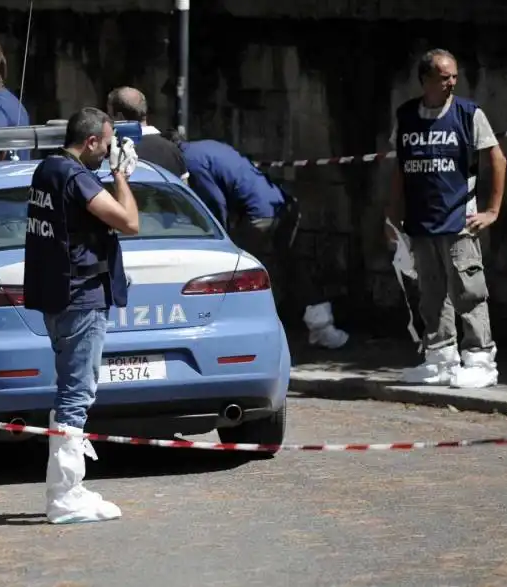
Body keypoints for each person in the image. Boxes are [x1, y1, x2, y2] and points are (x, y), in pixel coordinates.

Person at [23, 107, 140, 524]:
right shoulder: (77, 177)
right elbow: (129, 221)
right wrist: (122, 175)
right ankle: (65, 498)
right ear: (91, 141)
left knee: (70, 392)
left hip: (58, 298)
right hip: (81, 299)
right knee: (77, 395)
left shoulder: (47, 170)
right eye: (107, 144)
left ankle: (70, 486)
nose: (109, 152)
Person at [386, 48, 507, 389]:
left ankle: (480, 359)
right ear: (425, 79)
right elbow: (399, 171)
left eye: (454, 75)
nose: (452, 82)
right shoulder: (407, 115)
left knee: (468, 290)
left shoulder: (469, 114)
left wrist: (492, 211)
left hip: (459, 221)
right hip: (420, 223)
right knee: (431, 293)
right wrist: (392, 219)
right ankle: (440, 358)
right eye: (444, 77)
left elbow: (498, 160)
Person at [166, 130, 349, 349]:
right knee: (291, 268)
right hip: (282, 205)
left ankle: (235, 334)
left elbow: (216, 203)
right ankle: (322, 326)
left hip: (259, 215)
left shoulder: (191, 161)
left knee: (230, 273)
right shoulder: (207, 146)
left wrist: (218, 243)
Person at [106, 86, 189, 182]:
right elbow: (185, 189)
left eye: (110, 115)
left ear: (119, 117)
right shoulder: (173, 149)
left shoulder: (117, 152)